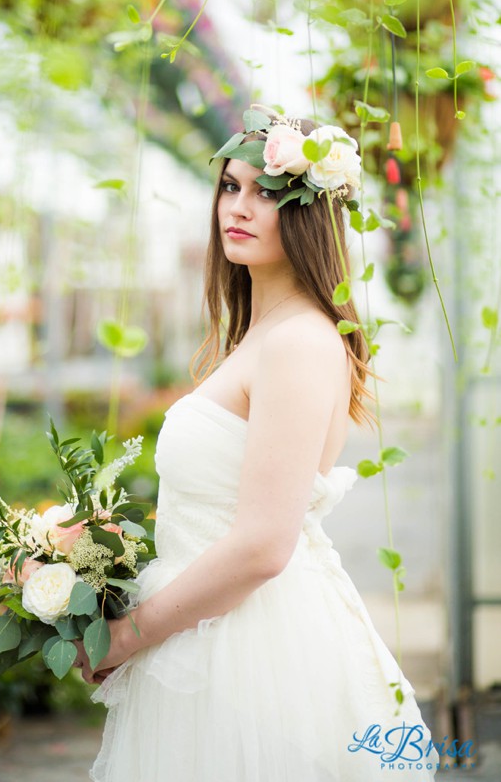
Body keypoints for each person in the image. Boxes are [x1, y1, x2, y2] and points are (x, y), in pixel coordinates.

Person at [81, 111, 437, 779]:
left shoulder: (299, 340)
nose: (236, 208)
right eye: (229, 186)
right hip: (211, 633)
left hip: (254, 647)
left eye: (267, 192)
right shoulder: (261, 335)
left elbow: (262, 544)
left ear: (310, 214)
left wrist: (127, 635)